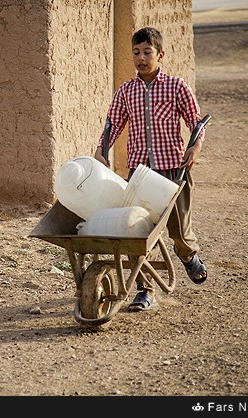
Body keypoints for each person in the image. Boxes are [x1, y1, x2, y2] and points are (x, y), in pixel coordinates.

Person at [94, 26, 208, 312]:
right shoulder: (126, 91)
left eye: (147, 52)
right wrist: (101, 149)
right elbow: (113, 123)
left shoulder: (176, 86)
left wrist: (195, 148)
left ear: (160, 55)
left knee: (178, 230)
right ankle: (145, 289)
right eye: (136, 52)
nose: (141, 58)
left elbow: (196, 123)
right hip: (141, 174)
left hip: (174, 171)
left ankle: (188, 255)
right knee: (138, 232)